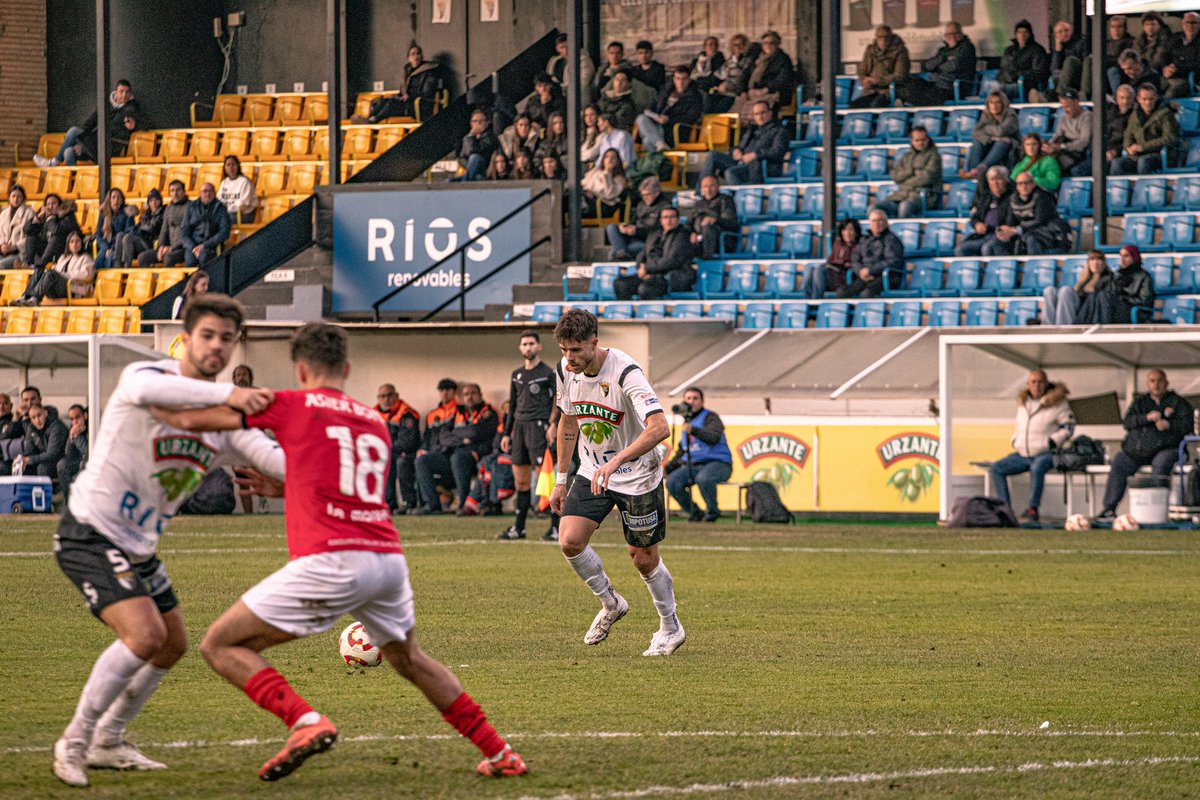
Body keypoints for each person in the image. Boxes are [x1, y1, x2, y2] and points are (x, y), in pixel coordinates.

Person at [149, 323, 527, 780]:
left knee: (219, 644)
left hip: (332, 559)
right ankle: (500, 752)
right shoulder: (372, 420)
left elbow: (191, 421)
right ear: (346, 369)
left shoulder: (293, 402)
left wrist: (145, 394)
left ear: (300, 369)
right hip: (386, 559)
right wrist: (288, 485)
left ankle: (304, 721)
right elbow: (342, 483)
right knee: (411, 659)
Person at [49, 295, 281, 788]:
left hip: (139, 547)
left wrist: (314, 466)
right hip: (90, 530)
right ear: (187, 338)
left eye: (227, 339)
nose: (217, 346)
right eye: (208, 335)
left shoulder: (225, 423)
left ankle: (109, 740)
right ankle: (74, 741)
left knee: (172, 645)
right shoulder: (146, 375)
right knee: (145, 636)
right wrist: (234, 397)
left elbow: (274, 458)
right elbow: (156, 391)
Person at [549, 308, 682, 657]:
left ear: (594, 342)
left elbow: (660, 428)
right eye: (564, 350)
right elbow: (568, 422)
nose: (569, 358)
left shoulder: (626, 372)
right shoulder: (564, 371)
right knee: (570, 541)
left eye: (576, 350)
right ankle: (611, 603)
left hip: (637, 475)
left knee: (643, 558)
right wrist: (561, 479)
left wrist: (619, 460)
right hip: (593, 470)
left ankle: (670, 627)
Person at [1098, 369, 1193, 520]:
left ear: (1166, 383)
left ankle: (1156, 512)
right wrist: (1146, 418)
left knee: (1161, 463)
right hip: (1138, 451)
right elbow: (1127, 423)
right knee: (1120, 461)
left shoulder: (1178, 402)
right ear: (1147, 384)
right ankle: (1109, 509)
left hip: (1167, 449)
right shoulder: (1140, 402)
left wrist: (1169, 425)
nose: (1156, 384)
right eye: (1152, 381)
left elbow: (1188, 426)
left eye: (1159, 380)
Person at [498, 331, 560, 541]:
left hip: (539, 428)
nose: (528, 347)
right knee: (521, 483)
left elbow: (560, 400)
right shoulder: (516, 374)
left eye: (531, 343)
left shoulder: (547, 373)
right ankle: (519, 528)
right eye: (524, 344)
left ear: (539, 346)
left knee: (547, 480)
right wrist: (506, 433)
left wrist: (553, 424)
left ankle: (555, 528)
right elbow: (512, 406)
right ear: (520, 348)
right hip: (519, 429)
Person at [989, 370, 1074, 523]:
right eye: (1033, 382)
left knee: (1037, 467)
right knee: (996, 468)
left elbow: (1068, 427)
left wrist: (1052, 441)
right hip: (1023, 454)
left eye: (1040, 382)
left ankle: (1033, 509)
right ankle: (1005, 510)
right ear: (1028, 384)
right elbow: (1018, 426)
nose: (1037, 385)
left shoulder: (1059, 403)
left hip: (1046, 453)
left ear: (1046, 383)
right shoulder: (1023, 403)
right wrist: (1015, 440)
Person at [413, 383, 499, 515]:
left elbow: (476, 432)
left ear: (480, 395)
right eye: (466, 394)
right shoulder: (456, 413)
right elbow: (443, 436)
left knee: (458, 458)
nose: (469, 397)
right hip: (452, 453)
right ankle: (432, 505)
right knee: (422, 461)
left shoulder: (489, 412)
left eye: (473, 393)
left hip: (476, 456)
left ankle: (464, 504)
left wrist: (458, 433)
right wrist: (463, 440)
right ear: (462, 398)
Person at [664, 387, 732, 522]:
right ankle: (695, 512)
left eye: (695, 398)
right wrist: (667, 469)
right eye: (688, 399)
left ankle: (712, 513)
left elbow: (714, 437)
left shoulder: (711, 417)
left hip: (718, 464)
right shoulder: (686, 423)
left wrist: (694, 430)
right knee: (672, 482)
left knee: (704, 479)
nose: (691, 402)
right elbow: (683, 450)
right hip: (693, 465)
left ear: (702, 401)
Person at [35, 79, 139, 167]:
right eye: (121, 91)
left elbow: (143, 124)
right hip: (95, 144)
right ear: (116, 92)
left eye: (127, 92)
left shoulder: (132, 109)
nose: (124, 95)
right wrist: (80, 143)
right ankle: (74, 183)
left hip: (110, 149)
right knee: (69, 152)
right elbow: (89, 124)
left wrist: (134, 126)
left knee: (74, 131)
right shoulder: (105, 106)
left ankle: (54, 162)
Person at [613, 206, 694, 300]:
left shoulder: (683, 235)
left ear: (678, 219)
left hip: (670, 277)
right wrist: (640, 269)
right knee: (621, 284)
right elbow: (642, 254)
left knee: (645, 289)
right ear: (661, 220)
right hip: (650, 275)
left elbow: (672, 260)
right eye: (665, 217)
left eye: (672, 217)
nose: (668, 220)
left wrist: (647, 268)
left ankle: (650, 310)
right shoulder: (654, 233)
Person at [699, 101, 788, 184]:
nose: (760, 117)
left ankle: (740, 195)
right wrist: (736, 150)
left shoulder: (779, 130)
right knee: (713, 155)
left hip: (759, 166)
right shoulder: (751, 130)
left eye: (763, 113)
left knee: (731, 172)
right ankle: (701, 192)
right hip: (741, 162)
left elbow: (777, 151)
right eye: (757, 114)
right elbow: (740, 146)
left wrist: (755, 155)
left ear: (770, 113)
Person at [984, 174, 1071, 256]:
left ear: (1033, 184)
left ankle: (1035, 265)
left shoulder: (1042, 197)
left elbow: (1040, 221)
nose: (1023, 186)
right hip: (1022, 233)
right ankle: (1005, 266)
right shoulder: (1013, 199)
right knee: (991, 245)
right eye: (1020, 184)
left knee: (1031, 239)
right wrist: (1005, 230)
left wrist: (1016, 230)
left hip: (1049, 235)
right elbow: (1010, 221)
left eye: (1026, 183)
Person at [354, 45, 443, 122]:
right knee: (381, 101)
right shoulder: (407, 72)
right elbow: (402, 92)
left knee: (392, 103)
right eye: (413, 54)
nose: (416, 57)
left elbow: (427, 93)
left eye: (418, 54)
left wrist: (409, 97)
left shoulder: (429, 72)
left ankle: (373, 120)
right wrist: (399, 96)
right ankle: (368, 119)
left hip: (418, 105)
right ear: (409, 58)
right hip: (406, 103)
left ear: (421, 56)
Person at [896, 22, 976, 106]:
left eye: (954, 34)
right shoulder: (943, 50)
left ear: (960, 34)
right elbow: (927, 66)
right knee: (912, 84)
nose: (951, 37)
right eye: (948, 34)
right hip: (937, 83)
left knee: (928, 96)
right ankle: (903, 104)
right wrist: (942, 59)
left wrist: (937, 67)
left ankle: (911, 106)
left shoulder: (967, 48)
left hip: (954, 86)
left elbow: (953, 66)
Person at [1110, 83, 1181, 175]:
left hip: (1159, 155)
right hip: (1137, 156)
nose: (1148, 102)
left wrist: (1143, 147)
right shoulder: (1135, 114)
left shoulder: (1166, 114)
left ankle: (1143, 184)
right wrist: (1128, 147)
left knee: (1143, 162)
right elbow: (1128, 134)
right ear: (1138, 99)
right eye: (1144, 99)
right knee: (1117, 163)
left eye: (1151, 99)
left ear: (1156, 98)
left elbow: (1169, 138)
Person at [11, 229, 94, 306]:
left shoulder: (86, 258)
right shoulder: (63, 258)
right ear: (68, 244)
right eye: (72, 242)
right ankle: (26, 297)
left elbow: (87, 275)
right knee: (39, 270)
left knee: (51, 273)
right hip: (56, 289)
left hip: (72, 290)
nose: (74, 244)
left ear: (81, 243)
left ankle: (35, 299)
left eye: (77, 241)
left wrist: (64, 274)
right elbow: (55, 272)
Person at [1075, 244, 1154, 325]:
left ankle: (1092, 326)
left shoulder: (1144, 276)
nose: (1122, 259)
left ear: (1134, 257)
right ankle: (1082, 326)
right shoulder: (1118, 275)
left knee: (1103, 295)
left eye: (1126, 256)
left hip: (1131, 310)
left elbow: (1145, 300)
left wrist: (1123, 298)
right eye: (1121, 256)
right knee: (1094, 296)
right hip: (1114, 308)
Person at [876, 126, 941, 219]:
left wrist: (904, 181)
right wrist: (910, 172)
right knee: (875, 208)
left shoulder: (934, 156)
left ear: (928, 140)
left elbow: (926, 178)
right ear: (912, 141)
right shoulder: (906, 156)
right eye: (917, 140)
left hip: (923, 197)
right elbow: (895, 176)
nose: (920, 143)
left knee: (904, 206)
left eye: (923, 140)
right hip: (901, 195)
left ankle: (902, 228)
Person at [730, 31, 796, 122]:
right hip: (752, 92)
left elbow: (783, 78)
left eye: (772, 43)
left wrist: (766, 90)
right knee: (736, 108)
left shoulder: (783, 59)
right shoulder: (756, 58)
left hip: (772, 92)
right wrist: (743, 91)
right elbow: (745, 75)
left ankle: (755, 127)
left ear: (778, 44)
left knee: (757, 107)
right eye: (765, 43)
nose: (768, 46)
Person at [635, 66, 704, 153]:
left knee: (647, 141)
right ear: (674, 79)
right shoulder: (666, 91)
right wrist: (652, 114)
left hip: (675, 130)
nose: (681, 82)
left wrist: (669, 119)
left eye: (684, 79)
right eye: (678, 79)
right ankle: (660, 145)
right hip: (657, 125)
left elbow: (691, 118)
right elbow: (654, 106)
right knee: (641, 118)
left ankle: (660, 149)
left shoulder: (695, 96)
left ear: (689, 80)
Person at [376, 383, 420, 515]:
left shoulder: (406, 413)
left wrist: (386, 446)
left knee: (400, 462)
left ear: (396, 396)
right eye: (383, 396)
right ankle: (388, 504)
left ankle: (408, 502)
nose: (386, 399)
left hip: (406, 452)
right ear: (378, 398)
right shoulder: (373, 414)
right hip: (386, 451)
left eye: (389, 395)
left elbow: (407, 442)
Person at [838, 209, 904, 298]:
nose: (876, 223)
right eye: (873, 221)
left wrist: (870, 270)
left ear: (886, 222)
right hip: (865, 276)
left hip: (886, 276)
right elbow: (855, 259)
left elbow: (893, 261)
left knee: (867, 293)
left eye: (879, 220)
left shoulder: (891, 240)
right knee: (843, 292)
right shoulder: (864, 240)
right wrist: (860, 271)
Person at [1041, 250, 1112, 325]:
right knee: (1049, 290)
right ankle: (1047, 326)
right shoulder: (1084, 278)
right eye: (1092, 259)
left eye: (1099, 259)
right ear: (1088, 263)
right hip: (1076, 307)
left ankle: (1063, 326)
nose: (1095, 263)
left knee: (1065, 290)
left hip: (1087, 311)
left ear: (1104, 263)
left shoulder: (1108, 278)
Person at [607, 176, 669, 260]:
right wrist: (626, 227)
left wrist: (637, 231)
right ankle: (621, 252)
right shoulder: (641, 204)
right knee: (611, 227)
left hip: (648, 241)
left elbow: (659, 230)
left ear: (656, 193)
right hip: (633, 237)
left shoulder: (665, 207)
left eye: (647, 194)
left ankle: (620, 252)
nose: (644, 197)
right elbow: (633, 221)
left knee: (614, 253)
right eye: (643, 195)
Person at [955, 167, 1013, 257]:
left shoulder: (1012, 198)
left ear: (1005, 181)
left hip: (1001, 235)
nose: (995, 183)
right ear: (989, 183)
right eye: (992, 179)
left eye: (999, 179)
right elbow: (974, 217)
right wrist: (977, 224)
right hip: (984, 235)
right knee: (961, 249)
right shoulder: (985, 198)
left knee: (987, 248)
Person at [851, 25, 910, 108]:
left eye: (886, 37)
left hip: (889, 91)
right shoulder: (870, 50)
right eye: (880, 37)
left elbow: (900, 75)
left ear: (891, 37)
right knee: (854, 106)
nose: (883, 40)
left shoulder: (900, 51)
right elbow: (862, 70)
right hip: (871, 91)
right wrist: (864, 80)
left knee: (875, 105)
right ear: (876, 37)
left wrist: (877, 81)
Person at [963, 91, 1018, 180]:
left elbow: (1000, 131)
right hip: (991, 144)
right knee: (977, 141)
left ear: (1003, 104)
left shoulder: (1010, 115)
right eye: (991, 102)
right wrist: (991, 138)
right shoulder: (986, 114)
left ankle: (981, 168)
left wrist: (986, 129)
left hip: (1011, 145)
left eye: (998, 102)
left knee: (1002, 142)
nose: (994, 106)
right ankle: (974, 170)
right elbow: (975, 132)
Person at [23, 194, 82, 270]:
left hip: (63, 248)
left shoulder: (68, 216)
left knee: (56, 238)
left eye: (54, 203)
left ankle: (41, 265)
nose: (50, 206)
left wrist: (51, 218)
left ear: (60, 205)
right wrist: (37, 218)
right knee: (31, 236)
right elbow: (27, 230)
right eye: (48, 204)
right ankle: (29, 264)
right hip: (46, 248)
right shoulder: (43, 215)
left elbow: (56, 230)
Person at [17, 402, 69, 489]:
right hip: (44, 460)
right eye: (33, 418)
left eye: (39, 415)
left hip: (60, 460)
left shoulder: (57, 426)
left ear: (45, 413)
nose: (37, 420)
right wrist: (22, 460)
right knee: (22, 468)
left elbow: (52, 454)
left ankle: (45, 495)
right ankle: (26, 495)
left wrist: (30, 459)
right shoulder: (31, 428)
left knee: (43, 468)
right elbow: (29, 451)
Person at [804, 218, 858, 298]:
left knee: (819, 270)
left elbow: (853, 263)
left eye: (850, 230)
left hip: (843, 276)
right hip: (831, 273)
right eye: (844, 230)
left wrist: (840, 262)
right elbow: (830, 259)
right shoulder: (838, 244)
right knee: (810, 269)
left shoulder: (858, 246)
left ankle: (816, 299)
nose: (847, 233)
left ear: (856, 232)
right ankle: (807, 299)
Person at [181, 182, 231, 267]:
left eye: (210, 191)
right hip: (193, 246)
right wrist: (193, 247)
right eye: (205, 191)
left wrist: (204, 245)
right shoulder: (191, 207)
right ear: (200, 193)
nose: (207, 194)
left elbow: (224, 232)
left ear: (214, 193)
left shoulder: (221, 208)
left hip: (211, 246)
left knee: (204, 257)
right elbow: (184, 232)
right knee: (189, 262)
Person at [1044, 91, 1092, 177]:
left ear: (1076, 102)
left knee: (1056, 165)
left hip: (1084, 153)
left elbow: (1084, 142)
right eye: (1063, 107)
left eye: (1068, 106)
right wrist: (1049, 145)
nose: (1065, 110)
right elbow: (1057, 136)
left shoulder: (1087, 117)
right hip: (1067, 150)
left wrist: (1062, 146)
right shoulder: (1064, 119)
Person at [141, 180, 189, 268]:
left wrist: (172, 248)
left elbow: (188, 233)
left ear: (184, 192)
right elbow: (164, 231)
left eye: (178, 190)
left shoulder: (191, 207)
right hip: (169, 248)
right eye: (172, 190)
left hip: (183, 248)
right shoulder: (168, 209)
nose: (175, 193)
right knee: (143, 257)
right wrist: (161, 248)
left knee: (168, 258)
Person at [998, 20, 1049, 101]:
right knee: (990, 86)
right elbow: (1003, 68)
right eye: (1019, 32)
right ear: (1016, 34)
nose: (1022, 35)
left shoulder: (1037, 50)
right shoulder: (1009, 50)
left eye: (1025, 32)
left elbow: (1038, 72)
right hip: (1005, 82)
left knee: (995, 90)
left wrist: (1018, 75)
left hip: (1024, 85)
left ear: (1030, 34)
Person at [688, 175, 738, 260]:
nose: (708, 190)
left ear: (718, 186)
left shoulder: (725, 200)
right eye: (705, 186)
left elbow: (731, 222)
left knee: (708, 228)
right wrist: (692, 232)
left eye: (711, 186)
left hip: (721, 239)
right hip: (699, 238)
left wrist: (715, 220)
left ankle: (707, 260)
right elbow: (688, 223)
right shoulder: (698, 204)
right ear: (701, 189)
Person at [116, 188, 164, 268]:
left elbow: (152, 228)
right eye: (151, 201)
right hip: (141, 239)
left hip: (149, 243)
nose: (154, 203)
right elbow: (139, 226)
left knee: (128, 238)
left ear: (160, 201)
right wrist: (133, 229)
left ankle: (127, 267)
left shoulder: (163, 213)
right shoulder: (146, 214)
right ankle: (117, 266)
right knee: (120, 235)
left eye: (156, 200)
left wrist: (139, 229)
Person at [707, 33, 754, 112]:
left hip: (734, 92)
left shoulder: (748, 61)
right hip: (722, 90)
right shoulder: (729, 61)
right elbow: (718, 75)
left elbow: (746, 78)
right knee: (707, 99)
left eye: (740, 44)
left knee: (721, 106)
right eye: (735, 45)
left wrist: (743, 91)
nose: (738, 47)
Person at [547, 33, 596, 105]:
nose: (565, 50)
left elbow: (583, 83)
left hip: (579, 99)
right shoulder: (555, 61)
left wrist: (562, 88)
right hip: (559, 100)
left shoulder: (583, 60)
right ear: (557, 49)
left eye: (568, 47)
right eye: (562, 47)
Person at [1048, 19, 1089, 98]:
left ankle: (1058, 95)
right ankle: (1057, 94)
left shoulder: (1081, 43)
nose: (1064, 33)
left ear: (1071, 31)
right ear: (1056, 35)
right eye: (1060, 32)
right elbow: (1054, 69)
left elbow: (1085, 63)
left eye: (1066, 30)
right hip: (1063, 78)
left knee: (1070, 61)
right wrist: (1058, 50)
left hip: (1078, 76)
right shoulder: (1058, 48)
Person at [94, 187, 133, 271]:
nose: (116, 200)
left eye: (119, 197)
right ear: (109, 200)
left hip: (119, 247)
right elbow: (99, 235)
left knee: (110, 257)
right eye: (113, 197)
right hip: (106, 246)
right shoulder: (103, 214)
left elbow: (128, 233)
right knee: (100, 257)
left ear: (122, 200)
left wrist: (112, 249)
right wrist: (106, 248)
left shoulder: (127, 213)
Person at [1164, 12, 1200, 98]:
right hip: (1169, 76)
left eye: (1194, 23)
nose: (1190, 25)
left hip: (1189, 79)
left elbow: (1197, 65)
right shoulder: (1174, 38)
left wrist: (1176, 68)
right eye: (1188, 22)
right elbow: (1165, 56)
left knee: (1171, 93)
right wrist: (1165, 68)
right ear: (1182, 24)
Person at [0, 185, 35, 269]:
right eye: (13, 196)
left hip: (20, 253)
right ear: (9, 198)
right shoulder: (3, 214)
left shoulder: (30, 213)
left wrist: (14, 247)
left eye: (19, 196)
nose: (16, 199)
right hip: (3, 251)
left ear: (23, 198)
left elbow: (31, 238)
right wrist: (2, 245)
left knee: (1, 265)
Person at [59, 403, 88, 500]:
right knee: (62, 464)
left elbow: (87, 452)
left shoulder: (92, 426)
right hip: (78, 461)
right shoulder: (73, 428)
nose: (75, 421)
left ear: (85, 416)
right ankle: (68, 501)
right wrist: (72, 437)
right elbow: (68, 453)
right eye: (72, 419)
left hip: (90, 461)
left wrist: (78, 437)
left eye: (77, 417)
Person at [217, 155, 258, 224]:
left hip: (244, 214)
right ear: (225, 168)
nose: (231, 167)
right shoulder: (224, 182)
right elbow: (219, 200)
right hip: (228, 213)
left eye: (233, 164)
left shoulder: (245, 181)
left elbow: (243, 204)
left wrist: (227, 210)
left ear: (238, 166)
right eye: (228, 165)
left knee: (226, 221)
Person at [1105, 84, 1137, 170]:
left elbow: (1133, 139)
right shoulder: (1109, 112)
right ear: (1117, 98)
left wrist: (1116, 151)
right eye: (1122, 98)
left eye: (1128, 98)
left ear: (1134, 99)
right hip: (1103, 150)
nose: (1125, 101)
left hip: (1120, 152)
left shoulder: (1136, 115)